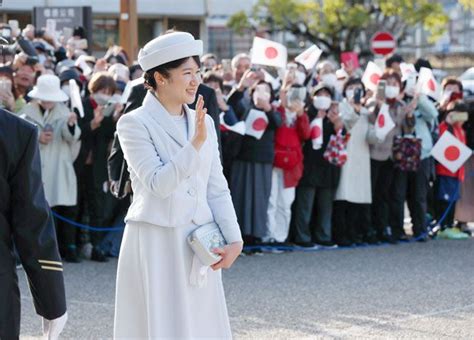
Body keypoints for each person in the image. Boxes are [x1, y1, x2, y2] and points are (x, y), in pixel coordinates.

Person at [114, 31, 243, 338]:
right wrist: (195, 144)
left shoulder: (204, 121)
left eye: (197, 73)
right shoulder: (133, 123)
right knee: (159, 323)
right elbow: (158, 183)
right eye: (186, 73)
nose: (195, 81)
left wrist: (234, 237)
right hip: (157, 239)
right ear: (160, 77)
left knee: (201, 323)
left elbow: (216, 185)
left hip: (201, 239)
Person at [0, 108, 67, 339]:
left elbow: (31, 220)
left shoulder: (17, 131)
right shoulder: (14, 131)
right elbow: (31, 223)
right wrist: (52, 302)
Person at [19, 74, 82, 262]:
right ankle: (39, 250)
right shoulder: (26, 112)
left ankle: (66, 248)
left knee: (63, 208)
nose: (47, 101)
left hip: (59, 167)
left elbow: (72, 137)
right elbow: (19, 136)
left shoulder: (64, 112)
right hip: (35, 166)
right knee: (39, 210)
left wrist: (71, 124)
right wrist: (37, 136)